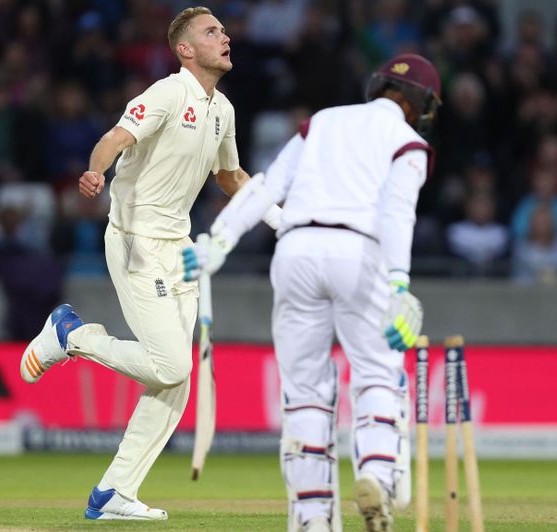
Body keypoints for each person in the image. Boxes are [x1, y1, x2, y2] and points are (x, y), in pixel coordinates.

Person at [16, 6, 280, 521]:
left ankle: (114, 492)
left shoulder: (221, 109)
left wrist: (281, 219)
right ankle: (71, 335)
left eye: (223, 30)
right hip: (136, 241)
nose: (224, 36)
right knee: (173, 366)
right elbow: (114, 140)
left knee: (173, 383)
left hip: (177, 249)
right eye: (211, 32)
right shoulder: (167, 93)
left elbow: (230, 178)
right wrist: (96, 171)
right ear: (186, 49)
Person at [182, 54, 440, 532]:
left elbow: (265, 186)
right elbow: (397, 212)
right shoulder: (409, 143)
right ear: (423, 105)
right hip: (359, 254)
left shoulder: (321, 122)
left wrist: (218, 242)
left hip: (295, 251)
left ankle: (312, 517)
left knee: (303, 394)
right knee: (377, 374)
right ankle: (378, 477)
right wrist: (400, 283)